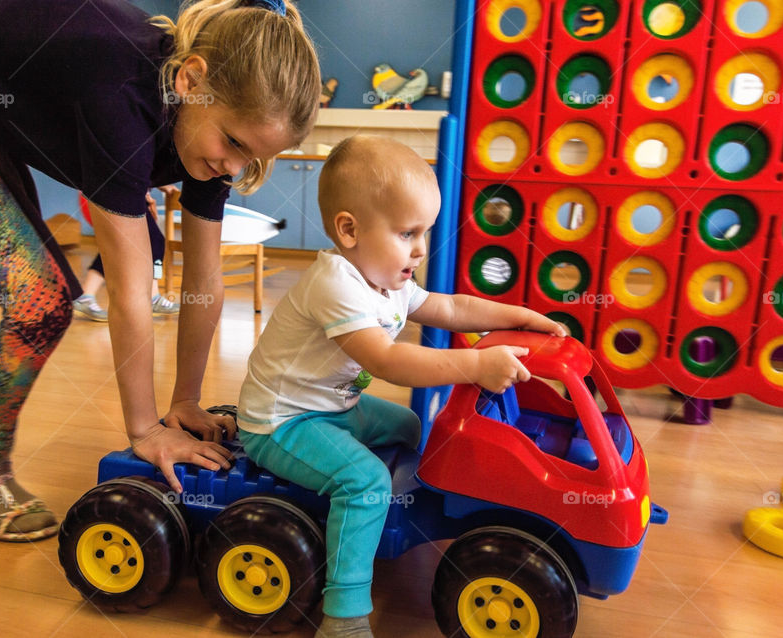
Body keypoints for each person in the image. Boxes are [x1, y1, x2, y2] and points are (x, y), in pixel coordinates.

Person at [0, 0, 320, 541]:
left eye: (252, 160)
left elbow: (203, 278)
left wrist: (184, 400)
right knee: (39, 300)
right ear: (191, 80)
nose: (234, 167)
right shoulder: (121, 83)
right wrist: (144, 429)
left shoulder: (210, 125)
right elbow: (129, 284)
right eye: (234, 145)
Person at [237, 135, 567, 638]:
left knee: (410, 424)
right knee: (366, 481)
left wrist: (520, 315)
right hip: (282, 420)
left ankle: (392, 520)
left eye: (425, 232)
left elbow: (452, 308)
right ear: (349, 230)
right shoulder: (336, 284)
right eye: (407, 232)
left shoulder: (389, 281)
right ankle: (342, 615)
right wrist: (473, 367)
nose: (420, 249)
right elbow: (388, 361)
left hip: (333, 406)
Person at [73, 189, 181, 322]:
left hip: (110, 191)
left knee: (117, 245)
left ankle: (86, 295)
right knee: (155, 241)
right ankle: (153, 297)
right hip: (118, 191)